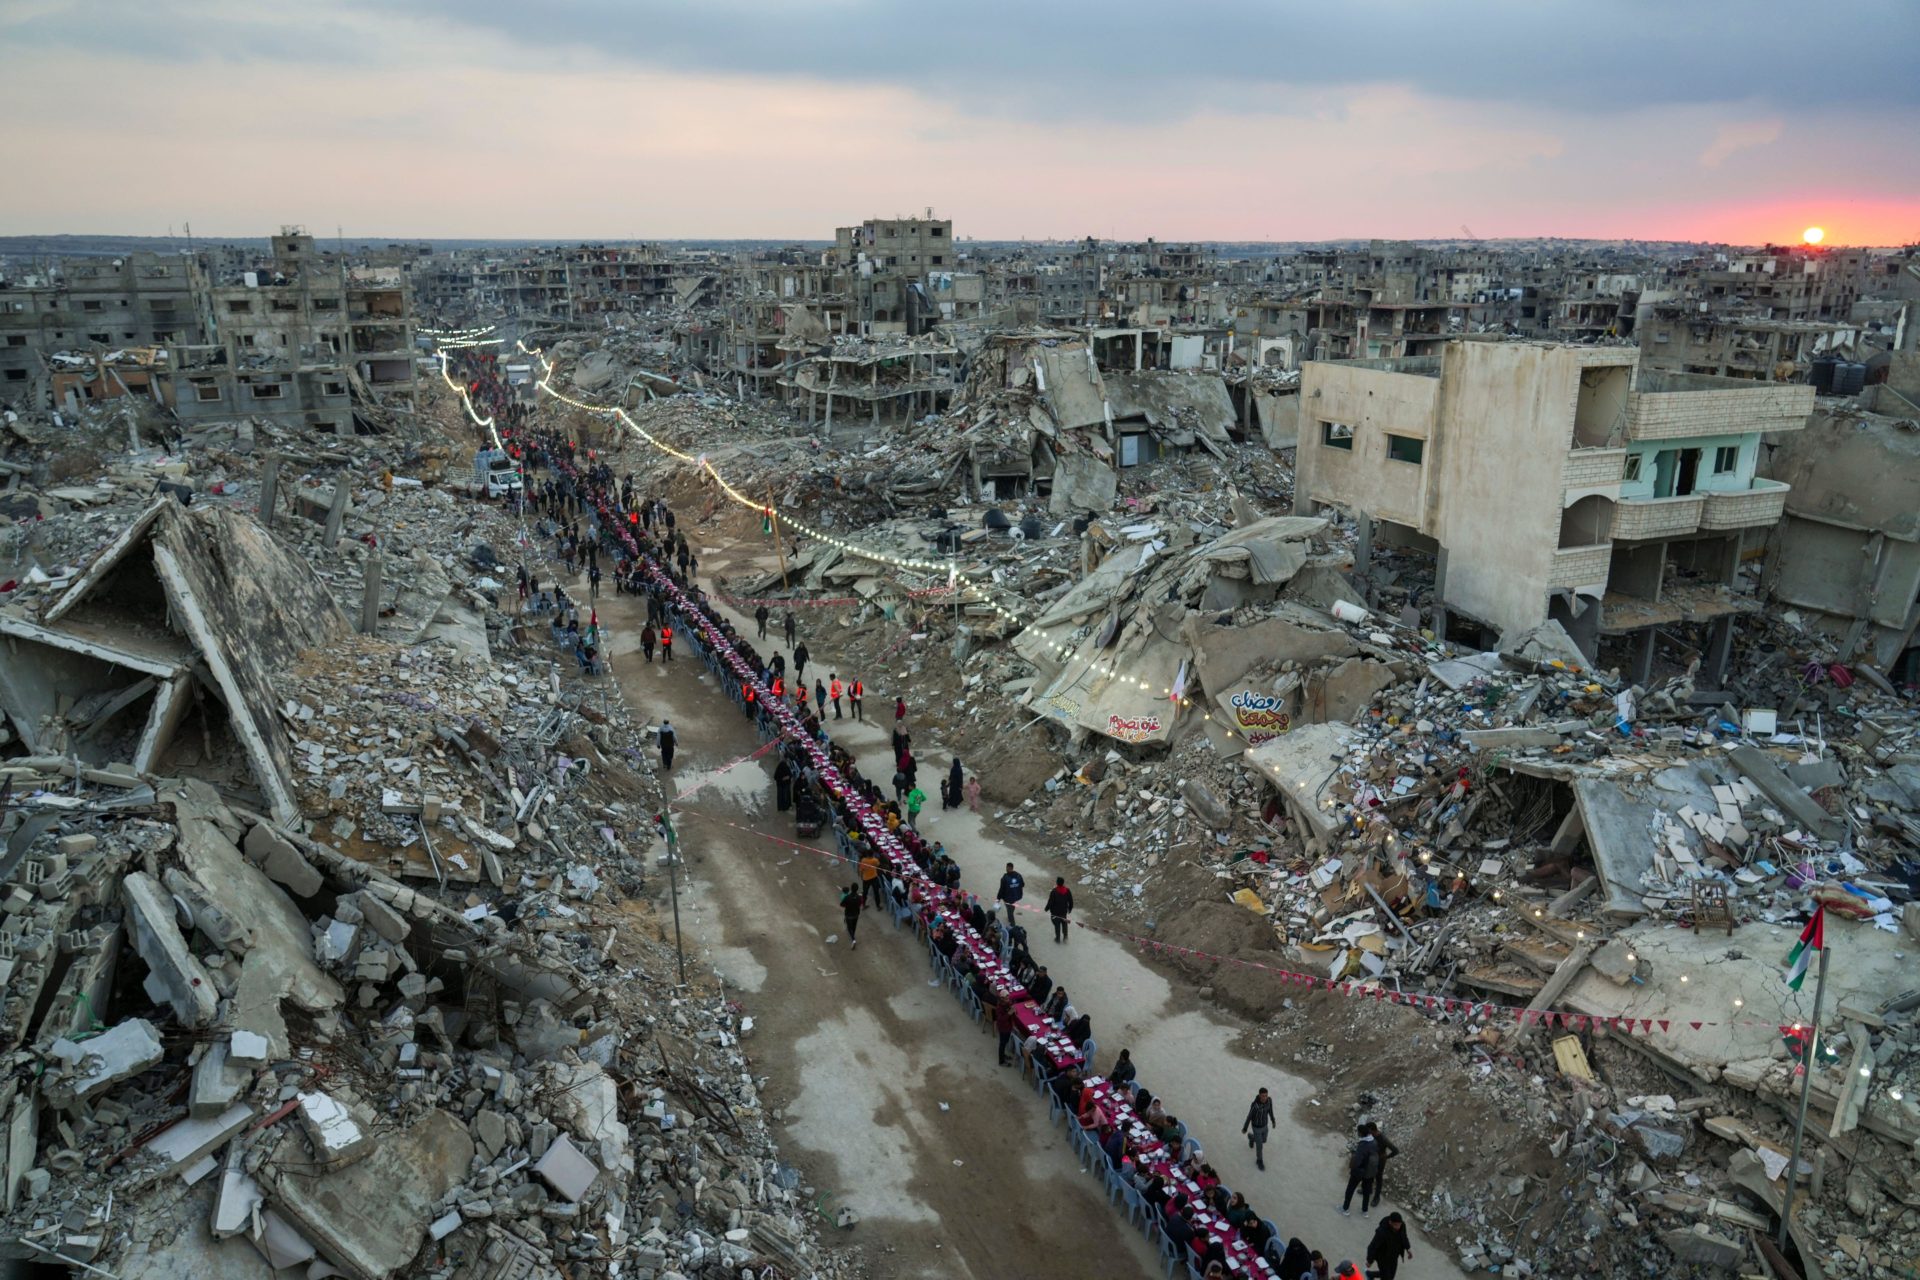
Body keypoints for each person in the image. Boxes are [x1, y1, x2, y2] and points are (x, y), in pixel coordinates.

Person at [1342, 1123, 1381, 1216]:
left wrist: (1353, 1169)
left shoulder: (1363, 1145)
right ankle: (1365, 1211)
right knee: (1366, 1191)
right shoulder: (1374, 1142)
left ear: (1360, 1133)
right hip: (1370, 1172)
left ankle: (1345, 1209)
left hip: (1360, 1171)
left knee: (1350, 1189)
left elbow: (1358, 1160)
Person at [1365, 1212, 1412, 1280]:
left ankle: (1370, 1274)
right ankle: (1370, 1274)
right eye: (1396, 1225)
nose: (1398, 1227)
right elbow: (1373, 1246)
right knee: (1387, 1277)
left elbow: (1404, 1236)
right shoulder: (1381, 1232)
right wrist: (1369, 1260)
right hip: (1383, 1257)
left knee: (1391, 1275)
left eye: (1399, 1224)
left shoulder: (1402, 1225)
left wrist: (1408, 1248)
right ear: (1390, 1222)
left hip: (1394, 1256)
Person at [1366, 1121, 1400, 1206]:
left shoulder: (1383, 1139)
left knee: (1378, 1178)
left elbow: (1395, 1150)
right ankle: (1368, 1190)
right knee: (1369, 1174)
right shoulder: (1371, 1136)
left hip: (1380, 1161)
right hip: (1372, 1159)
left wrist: (1386, 1157)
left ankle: (1376, 1198)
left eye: (1368, 1131)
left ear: (1372, 1130)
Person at [1243, 1086, 1276, 1170]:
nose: (1265, 1097)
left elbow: (1270, 1111)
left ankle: (1251, 1138)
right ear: (1259, 1095)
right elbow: (1249, 1116)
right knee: (1259, 1145)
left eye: (1266, 1095)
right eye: (1263, 1096)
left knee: (1264, 1140)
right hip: (1256, 1127)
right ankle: (1259, 1160)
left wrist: (1273, 1120)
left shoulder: (1269, 1101)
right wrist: (1245, 1127)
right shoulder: (1255, 1106)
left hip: (1265, 1126)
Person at [995, 862, 1025, 927]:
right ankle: (1010, 914)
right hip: (1016, 896)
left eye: (1006, 867)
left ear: (1008, 868)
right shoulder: (1018, 875)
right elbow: (1023, 884)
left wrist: (998, 898)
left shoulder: (1005, 878)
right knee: (1011, 907)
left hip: (1007, 898)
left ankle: (1013, 925)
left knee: (1009, 911)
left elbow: (1001, 890)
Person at [1045, 876, 1074, 943]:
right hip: (1063, 911)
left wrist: (1046, 908)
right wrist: (1070, 908)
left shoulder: (1054, 891)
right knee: (1064, 923)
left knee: (1057, 925)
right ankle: (1065, 937)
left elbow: (1050, 902)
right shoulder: (1067, 890)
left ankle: (1058, 938)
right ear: (1063, 883)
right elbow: (1071, 901)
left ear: (1057, 883)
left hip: (1055, 912)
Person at [992, 995, 1018, 1067]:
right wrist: (1009, 1013)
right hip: (1003, 1028)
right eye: (1006, 998)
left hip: (1008, 1027)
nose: (1008, 999)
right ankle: (1001, 1061)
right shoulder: (999, 1008)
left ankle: (1003, 1055)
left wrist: (1012, 1010)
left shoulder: (1007, 1004)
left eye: (1008, 998)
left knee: (1005, 1042)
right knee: (1002, 1044)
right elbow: (1001, 1019)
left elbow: (1012, 1011)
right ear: (1002, 999)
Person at [838, 882, 863, 949]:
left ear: (851, 889)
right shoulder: (859, 897)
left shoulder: (847, 897)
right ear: (857, 889)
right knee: (854, 926)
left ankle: (853, 940)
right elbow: (860, 904)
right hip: (856, 914)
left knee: (849, 928)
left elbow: (841, 904)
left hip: (849, 915)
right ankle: (853, 936)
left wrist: (847, 905)